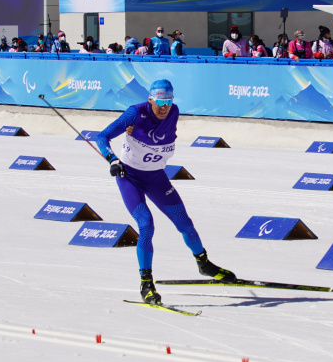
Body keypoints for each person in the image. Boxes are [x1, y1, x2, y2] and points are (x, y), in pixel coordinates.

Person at [97, 79, 237, 305]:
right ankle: (146, 283)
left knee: (185, 223)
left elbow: (158, 132)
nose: (164, 107)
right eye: (160, 101)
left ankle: (204, 263)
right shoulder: (135, 114)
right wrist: (112, 159)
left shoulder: (174, 112)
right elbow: (101, 137)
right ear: (150, 99)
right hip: (130, 178)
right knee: (146, 225)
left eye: (169, 101)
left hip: (156, 177)